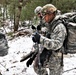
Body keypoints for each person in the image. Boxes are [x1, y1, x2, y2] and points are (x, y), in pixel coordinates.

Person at [32, 4, 67, 75]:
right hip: (49, 53)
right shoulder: (52, 23)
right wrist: (38, 38)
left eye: (45, 15)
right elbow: (49, 35)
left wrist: (41, 39)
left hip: (56, 58)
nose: (43, 17)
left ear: (51, 14)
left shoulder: (59, 27)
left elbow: (57, 44)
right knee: (38, 67)